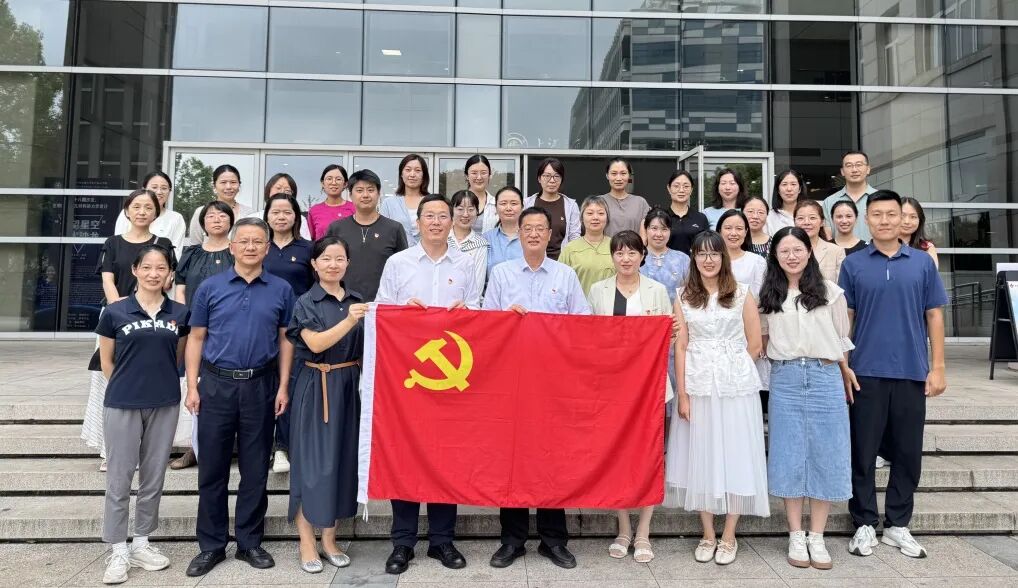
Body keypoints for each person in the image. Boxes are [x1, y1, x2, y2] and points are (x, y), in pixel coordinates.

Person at [184, 218, 295, 577]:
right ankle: (211, 545)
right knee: (212, 469)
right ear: (231, 246)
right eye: (243, 241)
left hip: (261, 385)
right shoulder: (210, 287)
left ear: (267, 248)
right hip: (216, 385)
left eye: (257, 241)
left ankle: (249, 542)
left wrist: (283, 386)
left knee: (255, 469)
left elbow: (285, 341)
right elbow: (196, 338)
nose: (250, 247)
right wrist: (192, 386)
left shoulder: (281, 289)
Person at [375, 194, 480, 575]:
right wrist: (403, 314)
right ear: (416, 223)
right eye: (429, 216)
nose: (436, 222)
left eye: (442, 216)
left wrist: (467, 312)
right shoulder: (398, 263)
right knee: (405, 456)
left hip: (452, 380)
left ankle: (442, 541)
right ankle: (402, 542)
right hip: (408, 379)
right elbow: (381, 311)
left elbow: (477, 310)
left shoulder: (465, 264)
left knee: (445, 457)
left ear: (452, 223)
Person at [841, 190, 948, 560]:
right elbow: (847, 317)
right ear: (866, 219)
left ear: (902, 219)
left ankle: (898, 524)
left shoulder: (921, 263)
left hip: (910, 370)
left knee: (907, 452)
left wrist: (938, 366)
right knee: (862, 451)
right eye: (877, 214)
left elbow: (934, 314)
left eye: (891, 214)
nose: (884, 221)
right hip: (865, 371)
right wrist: (843, 365)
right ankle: (864, 522)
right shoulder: (853, 264)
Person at [483, 207, 591, 571]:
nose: (533, 234)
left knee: (551, 457)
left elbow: (583, 323)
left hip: (553, 381)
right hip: (510, 380)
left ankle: (553, 540)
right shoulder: (501, 273)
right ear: (519, 233)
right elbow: (485, 325)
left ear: (549, 234)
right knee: (512, 458)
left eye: (539, 228)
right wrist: (505, 320)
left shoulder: (565, 274)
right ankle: (512, 540)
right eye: (527, 228)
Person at [665, 231, 768, 566]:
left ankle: (729, 535)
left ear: (724, 257)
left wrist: (730, 368)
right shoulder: (682, 296)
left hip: (735, 388)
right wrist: (682, 394)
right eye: (701, 254)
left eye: (714, 254)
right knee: (701, 455)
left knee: (736, 454)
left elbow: (755, 344)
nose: (708, 260)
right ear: (693, 258)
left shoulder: (741, 293)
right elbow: (681, 346)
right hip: (697, 386)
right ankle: (708, 533)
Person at [759, 227, 858, 571]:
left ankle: (817, 535)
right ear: (775, 256)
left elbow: (841, 339)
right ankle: (795, 534)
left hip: (824, 374)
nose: (791, 256)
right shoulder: (768, 295)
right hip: (785, 378)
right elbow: (763, 341)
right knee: (788, 453)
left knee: (826, 453)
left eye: (797, 249)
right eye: (784, 250)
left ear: (808, 251)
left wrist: (844, 371)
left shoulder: (830, 292)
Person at [96, 245, 190, 585]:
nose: (154, 273)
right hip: (122, 403)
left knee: (153, 476)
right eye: (147, 267)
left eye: (160, 267)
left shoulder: (179, 313)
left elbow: (177, 357)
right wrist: (129, 385)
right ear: (135, 270)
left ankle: (141, 542)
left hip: (164, 402)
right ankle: (117, 548)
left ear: (169, 273)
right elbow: (107, 362)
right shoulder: (115, 311)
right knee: (119, 478)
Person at [588, 230, 673, 564]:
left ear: (642, 256)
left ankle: (644, 532)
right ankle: (623, 527)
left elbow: (666, 338)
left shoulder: (657, 290)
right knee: (617, 455)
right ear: (612, 257)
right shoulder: (598, 291)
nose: (626, 258)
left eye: (632, 252)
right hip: (611, 388)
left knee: (649, 455)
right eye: (619, 253)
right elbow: (590, 337)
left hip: (649, 388)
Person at [287, 236, 368, 574]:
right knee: (312, 465)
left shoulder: (357, 300)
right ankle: (306, 540)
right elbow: (316, 343)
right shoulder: (306, 302)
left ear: (347, 263)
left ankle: (330, 539)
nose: (333, 265)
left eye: (339, 258)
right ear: (314, 264)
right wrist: (349, 320)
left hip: (350, 387)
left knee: (342, 462)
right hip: (316, 385)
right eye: (326, 259)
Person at [83, 189, 176, 472]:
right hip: (116, 319)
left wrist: (145, 304)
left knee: (146, 381)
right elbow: (107, 280)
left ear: (156, 212)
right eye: (136, 206)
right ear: (127, 210)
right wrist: (121, 310)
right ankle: (109, 452)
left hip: (152, 319)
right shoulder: (113, 243)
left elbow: (167, 280)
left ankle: (143, 451)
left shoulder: (163, 244)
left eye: (148, 207)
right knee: (109, 381)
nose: (142, 211)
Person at [170, 201, 235, 471]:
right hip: (193, 327)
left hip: (227, 329)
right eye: (211, 216)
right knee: (193, 383)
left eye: (222, 215)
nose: (216, 219)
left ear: (231, 221)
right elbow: (180, 288)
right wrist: (184, 320)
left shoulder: (236, 251)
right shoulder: (191, 252)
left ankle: (226, 445)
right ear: (203, 223)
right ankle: (193, 447)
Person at [263, 193, 314, 475]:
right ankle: (262, 445)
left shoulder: (308, 249)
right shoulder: (259, 246)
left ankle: (282, 446)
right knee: (263, 384)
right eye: (275, 212)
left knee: (290, 384)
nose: (281, 217)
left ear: (296, 217)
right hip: (262, 326)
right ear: (267, 216)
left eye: (287, 212)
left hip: (296, 330)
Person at [325, 170, 409, 301]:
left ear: (378, 193)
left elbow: (404, 269)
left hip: (383, 303)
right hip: (342, 302)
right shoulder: (336, 228)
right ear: (350, 195)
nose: (365, 195)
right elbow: (326, 267)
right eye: (359, 190)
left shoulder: (394, 228)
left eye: (370, 190)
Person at [523, 157, 580, 260]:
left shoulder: (571, 205)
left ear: (561, 179)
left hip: (562, 262)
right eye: (547, 176)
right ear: (539, 178)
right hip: (533, 260)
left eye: (556, 176)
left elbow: (574, 237)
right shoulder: (527, 204)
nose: (552, 180)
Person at [114, 172, 187, 252]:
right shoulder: (129, 213)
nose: (159, 192)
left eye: (164, 188)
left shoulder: (176, 219)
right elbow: (118, 246)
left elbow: (175, 252)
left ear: (169, 191)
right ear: (144, 189)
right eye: (154, 187)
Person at [559, 196, 615, 295]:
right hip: (579, 303)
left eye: (601, 213)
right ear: (581, 218)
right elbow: (560, 282)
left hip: (610, 303)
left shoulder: (616, 246)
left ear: (607, 218)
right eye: (590, 213)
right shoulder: (570, 248)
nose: (595, 217)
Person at [187, 165, 254, 245]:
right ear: (214, 186)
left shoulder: (249, 214)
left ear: (239, 185)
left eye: (233, 182)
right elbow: (195, 245)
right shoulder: (201, 212)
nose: (228, 187)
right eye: (223, 182)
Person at [822, 151, 878, 241]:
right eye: (849, 165)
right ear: (842, 171)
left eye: (859, 165)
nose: (854, 170)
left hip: (874, 250)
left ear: (868, 169)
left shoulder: (881, 199)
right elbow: (828, 236)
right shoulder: (829, 202)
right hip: (840, 250)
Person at [641, 208, 691, 304]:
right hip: (644, 312)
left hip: (676, 312)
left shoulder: (683, 259)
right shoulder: (637, 258)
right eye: (654, 228)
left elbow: (690, 292)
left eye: (664, 229)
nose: (659, 234)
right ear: (646, 229)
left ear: (670, 231)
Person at [379, 154, 430, 245]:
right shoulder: (389, 203)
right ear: (401, 174)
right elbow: (383, 233)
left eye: (417, 170)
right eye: (408, 170)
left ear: (424, 175)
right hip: (397, 252)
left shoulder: (432, 202)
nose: (412, 174)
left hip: (428, 252)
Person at [245, 173, 311, 240]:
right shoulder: (252, 218)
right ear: (268, 191)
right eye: (278, 188)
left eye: (287, 190)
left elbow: (305, 243)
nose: (282, 192)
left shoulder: (300, 219)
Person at [717, 210, 766, 299]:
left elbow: (760, 295)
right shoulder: (711, 260)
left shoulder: (757, 261)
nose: (733, 233)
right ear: (720, 231)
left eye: (739, 228)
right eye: (728, 228)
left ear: (746, 231)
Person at [449, 190, 489, 294]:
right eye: (460, 209)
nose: (465, 214)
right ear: (451, 211)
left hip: (468, 302)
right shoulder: (441, 238)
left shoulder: (481, 244)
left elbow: (477, 286)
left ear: (477, 212)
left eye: (471, 209)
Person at [794, 200, 845, 283]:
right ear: (794, 222)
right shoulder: (785, 250)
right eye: (800, 218)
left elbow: (840, 287)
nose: (806, 222)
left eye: (812, 218)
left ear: (822, 222)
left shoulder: (836, 252)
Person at [602, 157, 651, 238]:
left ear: (629, 175)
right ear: (607, 175)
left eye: (623, 173)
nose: (618, 178)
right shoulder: (599, 202)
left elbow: (646, 233)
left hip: (634, 246)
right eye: (614, 173)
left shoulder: (640, 203)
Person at [664, 170, 709, 255]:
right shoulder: (661, 218)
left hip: (694, 263)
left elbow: (707, 246)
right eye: (676, 186)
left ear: (691, 190)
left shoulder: (700, 218)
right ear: (669, 188)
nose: (681, 190)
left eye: (686, 186)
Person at [483, 186, 524, 277]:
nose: (508, 208)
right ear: (496, 207)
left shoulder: (532, 237)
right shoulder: (486, 239)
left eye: (514, 203)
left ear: (522, 207)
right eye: (503, 203)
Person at [307, 165, 355, 240]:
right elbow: (311, 239)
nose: (333, 183)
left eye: (338, 179)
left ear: (345, 184)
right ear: (322, 183)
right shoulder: (314, 210)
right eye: (329, 179)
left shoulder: (354, 208)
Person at [900, 197, 939, 268]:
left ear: (920, 220)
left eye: (913, 217)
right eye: (902, 216)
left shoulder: (927, 248)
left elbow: (931, 274)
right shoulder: (881, 246)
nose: (907, 221)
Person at [464, 154, 499, 234]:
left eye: (483, 173)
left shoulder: (497, 204)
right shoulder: (456, 203)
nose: (479, 177)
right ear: (467, 176)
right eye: (474, 173)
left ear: (489, 175)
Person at [767, 170, 806, 236]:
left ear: (799, 189)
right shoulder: (770, 217)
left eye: (793, 184)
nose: (789, 189)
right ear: (778, 190)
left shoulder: (809, 213)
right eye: (784, 184)